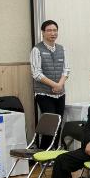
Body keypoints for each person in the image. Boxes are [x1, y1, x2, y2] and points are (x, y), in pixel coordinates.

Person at [30, 19, 69, 147]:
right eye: (49, 30)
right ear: (43, 32)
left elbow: (66, 69)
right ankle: (43, 152)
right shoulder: (37, 49)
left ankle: (53, 153)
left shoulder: (62, 49)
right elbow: (36, 73)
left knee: (58, 123)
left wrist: (60, 84)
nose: (53, 33)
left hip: (60, 93)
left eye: (55, 30)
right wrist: (55, 85)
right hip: (44, 93)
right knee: (49, 124)